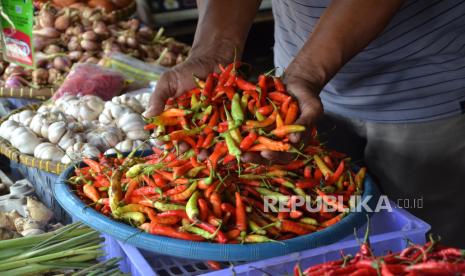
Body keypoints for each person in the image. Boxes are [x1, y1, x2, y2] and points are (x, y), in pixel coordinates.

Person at [145, 0, 465, 247]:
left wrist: (305, 75)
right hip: (297, 73)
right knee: (317, 215)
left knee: (425, 224)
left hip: (424, 83)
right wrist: (212, 54)